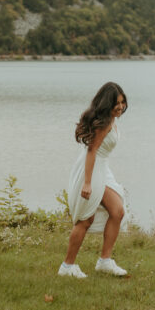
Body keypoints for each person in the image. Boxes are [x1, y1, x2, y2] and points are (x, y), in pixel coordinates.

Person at [59, 82, 129, 278]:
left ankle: (105, 261)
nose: (120, 107)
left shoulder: (110, 120)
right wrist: (87, 182)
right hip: (91, 169)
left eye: (123, 102)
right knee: (85, 219)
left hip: (102, 169)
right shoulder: (105, 123)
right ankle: (67, 267)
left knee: (117, 211)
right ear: (107, 103)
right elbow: (92, 150)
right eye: (117, 103)